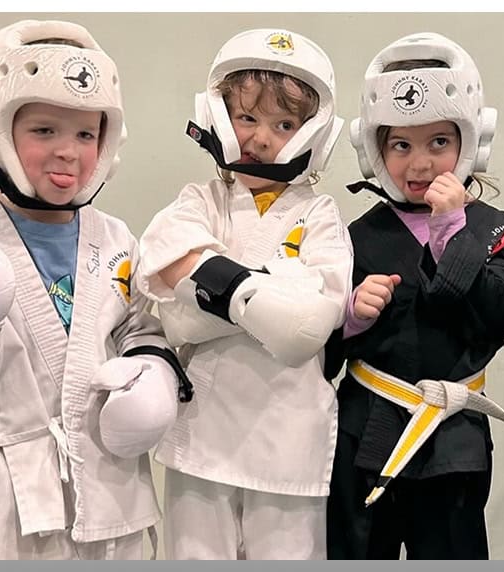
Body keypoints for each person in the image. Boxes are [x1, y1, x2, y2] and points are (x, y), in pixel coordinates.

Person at [0, 19, 191, 560]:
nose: (67, 152)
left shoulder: (115, 237)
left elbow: (139, 324)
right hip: (17, 498)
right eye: (44, 130)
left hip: (115, 485)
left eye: (85, 134)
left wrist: (151, 371)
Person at [323, 32, 504, 560]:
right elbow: (323, 352)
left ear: (469, 143)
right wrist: (350, 317)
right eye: (400, 144)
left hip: (453, 437)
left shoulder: (497, 229)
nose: (420, 163)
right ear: (375, 151)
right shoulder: (355, 234)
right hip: (367, 428)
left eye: (439, 142)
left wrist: (452, 230)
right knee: (357, 548)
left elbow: (499, 318)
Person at [136, 28, 353, 560]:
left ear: (312, 134)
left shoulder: (319, 215)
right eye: (247, 117)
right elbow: (160, 264)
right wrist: (266, 287)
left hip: (288, 438)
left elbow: (309, 322)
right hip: (203, 432)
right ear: (216, 117)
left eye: (283, 124)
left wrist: (201, 304)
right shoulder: (200, 199)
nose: (260, 138)